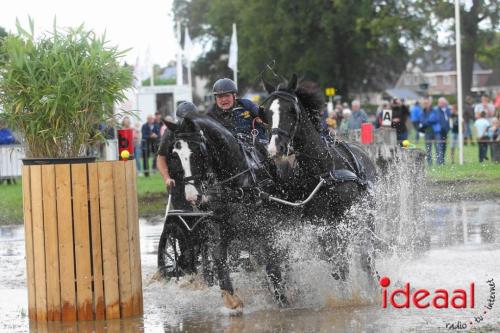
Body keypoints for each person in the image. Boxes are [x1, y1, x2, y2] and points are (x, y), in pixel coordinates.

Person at [157, 102, 198, 208]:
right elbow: (161, 158)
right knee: (184, 217)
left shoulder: (201, 131)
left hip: (198, 180)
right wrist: (167, 178)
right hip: (177, 181)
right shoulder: (170, 133)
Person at [419, 97, 439, 166]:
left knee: (438, 148)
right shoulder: (422, 112)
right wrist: (428, 121)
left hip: (435, 131)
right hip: (427, 132)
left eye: (427, 103)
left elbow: (435, 119)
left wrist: (426, 121)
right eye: (424, 103)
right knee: (428, 149)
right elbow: (421, 120)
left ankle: (439, 163)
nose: (425, 104)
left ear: (430, 103)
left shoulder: (434, 110)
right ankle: (430, 163)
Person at [433, 97, 451, 165]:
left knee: (444, 146)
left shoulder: (447, 110)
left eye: (442, 103)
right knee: (439, 146)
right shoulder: (436, 110)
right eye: (440, 102)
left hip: (445, 131)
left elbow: (449, 118)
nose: (440, 104)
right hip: (438, 131)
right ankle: (439, 162)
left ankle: (442, 160)